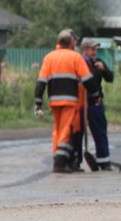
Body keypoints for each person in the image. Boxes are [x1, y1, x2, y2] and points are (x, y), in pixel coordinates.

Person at [34, 29, 101, 173]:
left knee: (58, 129)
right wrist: (96, 95)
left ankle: (62, 159)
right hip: (70, 101)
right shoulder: (76, 57)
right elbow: (88, 79)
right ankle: (59, 163)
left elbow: (41, 82)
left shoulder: (49, 57)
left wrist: (38, 102)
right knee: (65, 130)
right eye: (74, 41)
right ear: (71, 42)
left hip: (54, 101)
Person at [77, 37, 114, 170]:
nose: (95, 52)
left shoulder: (98, 62)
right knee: (77, 133)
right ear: (85, 50)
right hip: (80, 103)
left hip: (95, 103)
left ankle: (104, 162)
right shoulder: (78, 62)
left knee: (100, 132)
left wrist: (103, 69)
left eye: (96, 49)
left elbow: (110, 78)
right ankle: (76, 162)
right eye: (92, 49)